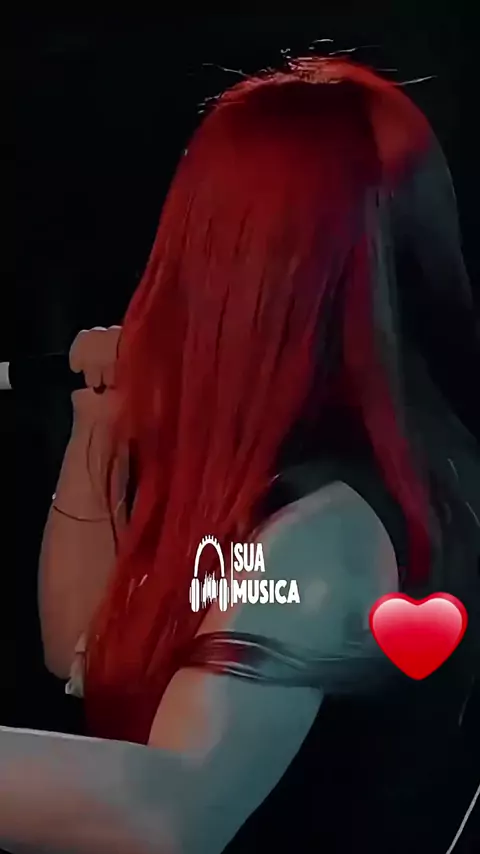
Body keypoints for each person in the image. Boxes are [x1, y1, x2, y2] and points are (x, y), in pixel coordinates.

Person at [2, 57, 480, 853]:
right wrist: (103, 429)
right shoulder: (373, 473)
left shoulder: (327, 531)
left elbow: (166, 816)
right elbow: (83, 649)